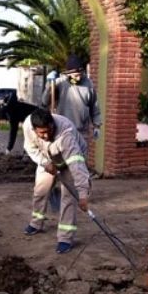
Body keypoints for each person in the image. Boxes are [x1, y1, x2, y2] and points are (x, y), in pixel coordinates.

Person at [22, 109, 91, 254]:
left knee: (68, 197)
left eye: (49, 131)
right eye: (42, 133)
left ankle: (65, 238)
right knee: (40, 190)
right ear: (34, 129)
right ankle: (36, 223)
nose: (46, 135)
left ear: (52, 124)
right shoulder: (28, 125)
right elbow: (31, 148)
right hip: (47, 158)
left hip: (71, 158)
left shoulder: (66, 134)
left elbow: (76, 166)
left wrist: (83, 194)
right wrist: (45, 162)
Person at [41, 54, 102, 146]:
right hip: (62, 131)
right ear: (68, 73)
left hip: (81, 132)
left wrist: (97, 125)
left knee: (80, 159)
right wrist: (49, 85)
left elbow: (94, 106)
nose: (79, 78)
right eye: (76, 75)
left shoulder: (88, 84)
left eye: (80, 75)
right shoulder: (59, 83)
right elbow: (45, 101)